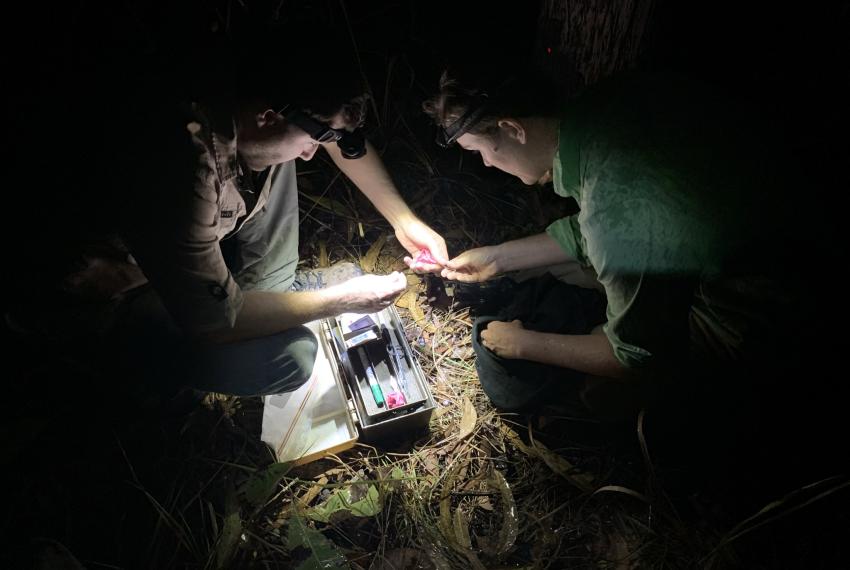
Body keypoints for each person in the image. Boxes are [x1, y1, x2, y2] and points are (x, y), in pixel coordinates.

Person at [7, 30, 448, 399]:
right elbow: (217, 323)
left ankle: (271, 293)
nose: (318, 152)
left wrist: (404, 221)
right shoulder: (180, 169)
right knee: (293, 358)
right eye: (321, 136)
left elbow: (328, 138)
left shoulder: (249, 93)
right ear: (268, 115)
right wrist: (346, 300)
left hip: (176, 238)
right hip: (113, 294)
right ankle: (144, 370)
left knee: (282, 155)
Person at [422, 63, 801, 418]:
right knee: (565, 269)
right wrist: (499, 258)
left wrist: (523, 343)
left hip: (770, 307)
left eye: (480, 151)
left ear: (513, 129)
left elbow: (635, 357)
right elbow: (599, 230)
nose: (487, 164)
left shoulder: (616, 210)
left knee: (600, 391)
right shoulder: (607, 101)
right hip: (770, 217)